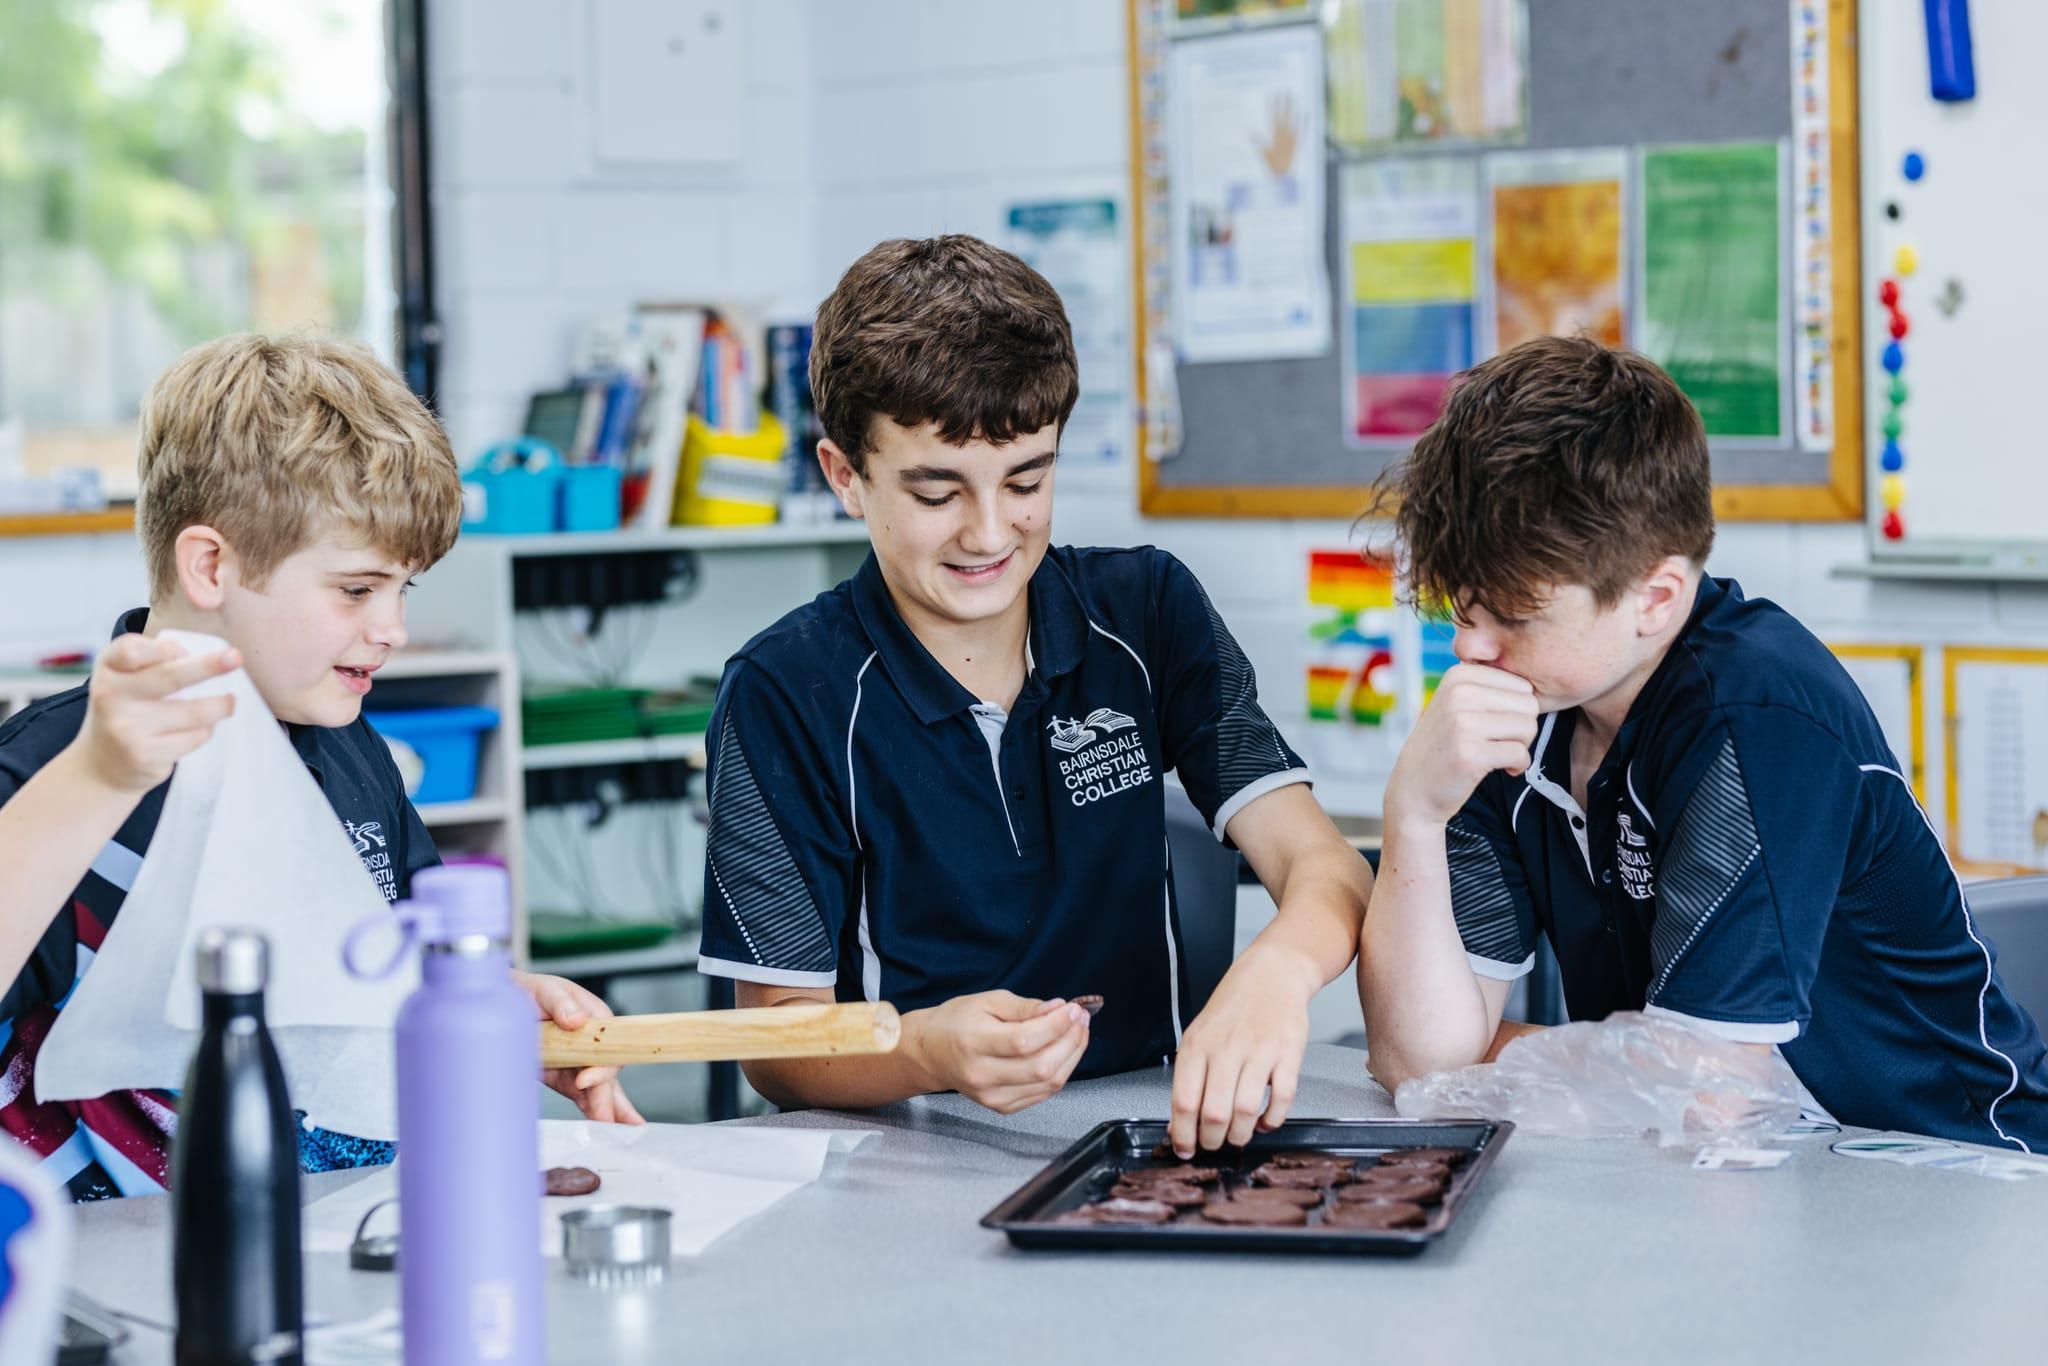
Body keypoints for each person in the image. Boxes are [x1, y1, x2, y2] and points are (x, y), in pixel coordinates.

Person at [698, 236, 1372, 1156]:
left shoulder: (1148, 614)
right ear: (845, 477)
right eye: (937, 492)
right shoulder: (784, 691)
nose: (988, 533)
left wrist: (1276, 974)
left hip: (1147, 1138)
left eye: (1027, 480)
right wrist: (929, 1049)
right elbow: (776, 1043)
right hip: (909, 1157)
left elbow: (1327, 868)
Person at [1359, 334, 2048, 1150]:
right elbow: (1420, 1064)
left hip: (1957, 1175)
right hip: (1735, 1178)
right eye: (1458, 609)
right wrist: (1413, 813)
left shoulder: (1757, 724)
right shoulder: (1512, 707)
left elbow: (1703, 1100)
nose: (1473, 649)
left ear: (1655, 597)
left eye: (1513, 615)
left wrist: (1499, 1054)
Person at [0, 333, 640, 1200]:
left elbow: (399, 980)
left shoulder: (349, 749)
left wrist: (497, 1009)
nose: (393, 630)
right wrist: (94, 783)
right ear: (212, 565)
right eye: (355, 590)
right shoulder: (52, 769)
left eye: (401, 591)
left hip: (344, 1240)